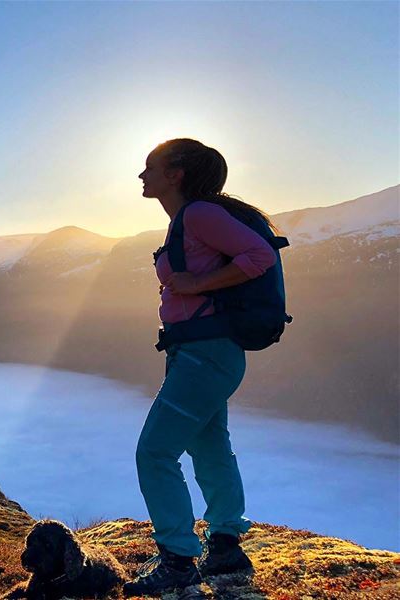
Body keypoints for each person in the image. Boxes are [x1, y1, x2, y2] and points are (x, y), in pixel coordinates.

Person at [123, 138, 277, 596]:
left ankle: (178, 560)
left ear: (177, 174)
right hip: (202, 353)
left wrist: (197, 283)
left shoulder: (200, 215)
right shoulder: (188, 220)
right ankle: (226, 543)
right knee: (209, 446)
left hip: (205, 354)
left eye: (151, 166)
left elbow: (260, 257)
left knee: (154, 452)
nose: (141, 175)